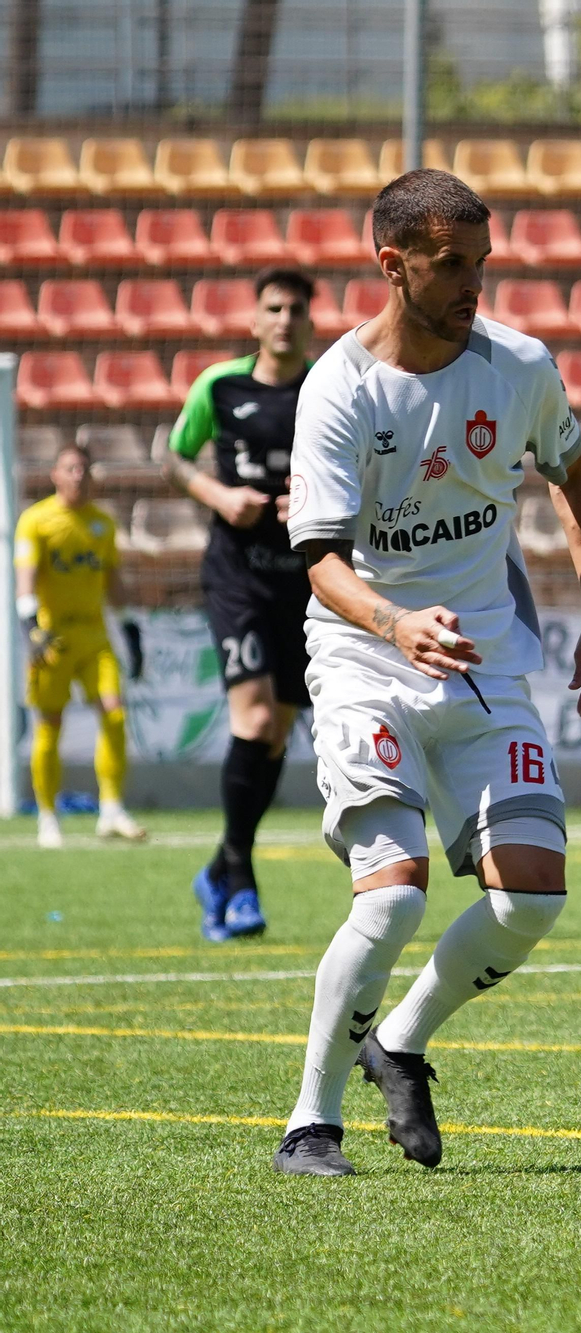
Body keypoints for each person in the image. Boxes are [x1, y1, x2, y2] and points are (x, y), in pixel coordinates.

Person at [273, 168, 581, 1177]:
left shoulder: (518, 366)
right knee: (389, 898)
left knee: (533, 898)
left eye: (483, 261)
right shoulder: (339, 390)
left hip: (481, 665)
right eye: (453, 264)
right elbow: (321, 560)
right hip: (363, 658)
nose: (476, 282)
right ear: (394, 266)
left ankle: (402, 1040)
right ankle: (311, 1121)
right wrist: (394, 621)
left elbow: (573, 469)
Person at [165, 266, 317, 941]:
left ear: (311, 322)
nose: (284, 319)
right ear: (255, 320)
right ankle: (242, 876)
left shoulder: (327, 387)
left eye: (296, 309)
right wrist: (221, 497)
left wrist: (309, 502)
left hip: (303, 581)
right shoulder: (219, 385)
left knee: (277, 731)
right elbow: (175, 457)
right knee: (253, 721)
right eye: (273, 308)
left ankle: (220, 867)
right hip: (237, 577)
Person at [15, 442, 147, 848]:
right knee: (50, 725)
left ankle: (111, 809)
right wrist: (31, 625)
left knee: (115, 715)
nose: (78, 476)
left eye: (84, 469)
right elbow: (27, 576)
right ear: (55, 475)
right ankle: (48, 816)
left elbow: (113, 581)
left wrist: (130, 630)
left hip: (95, 635)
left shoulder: (102, 524)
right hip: (52, 638)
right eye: (70, 469)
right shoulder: (36, 520)